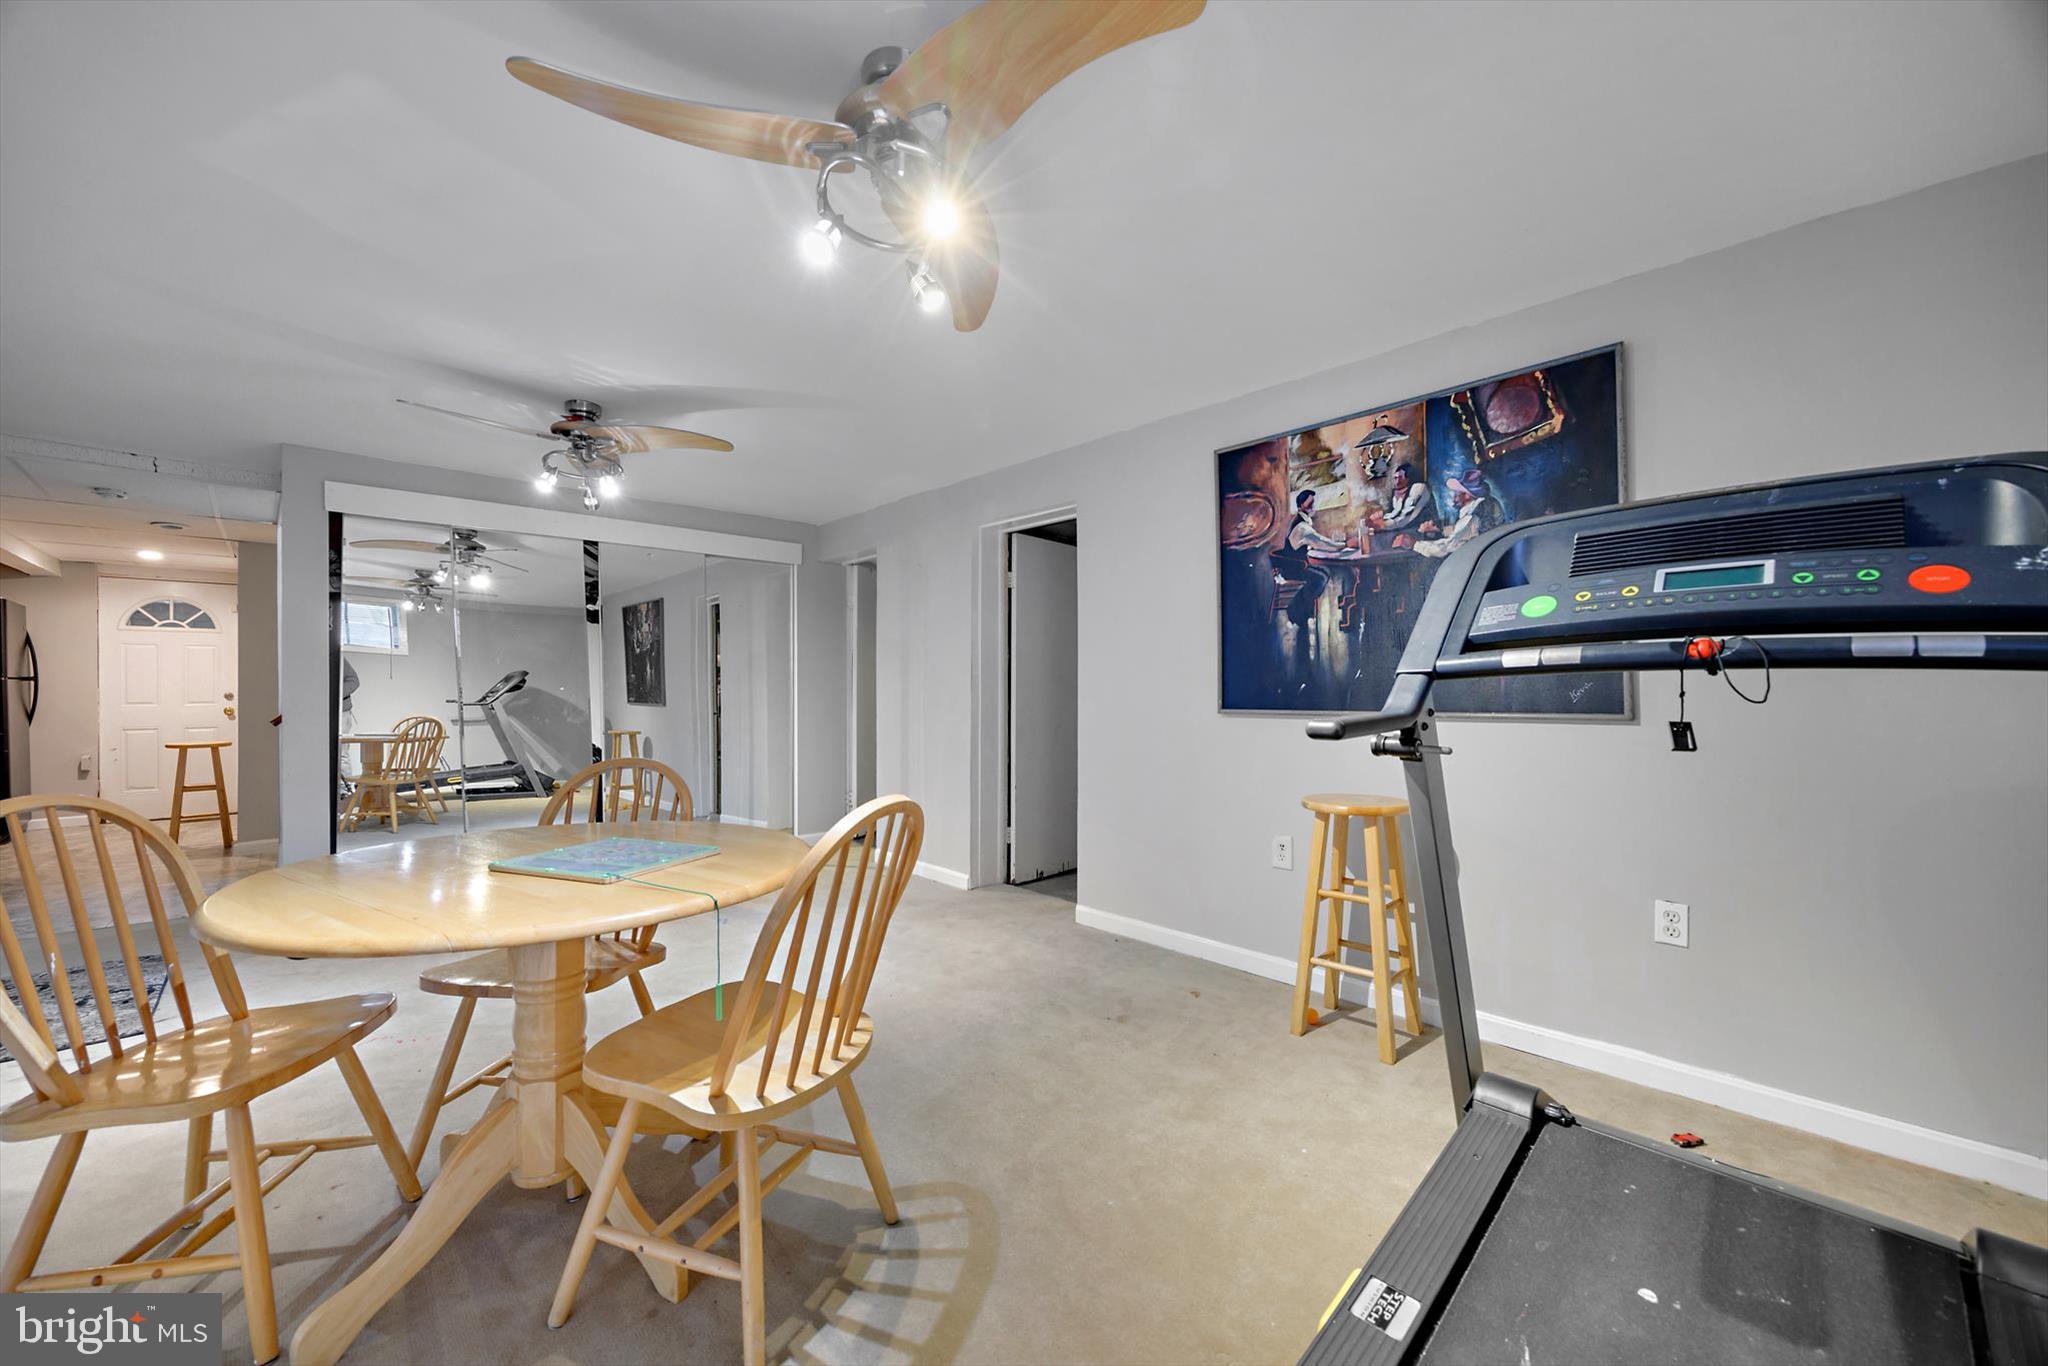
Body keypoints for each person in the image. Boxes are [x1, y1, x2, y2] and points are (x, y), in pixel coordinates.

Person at [1271, 488, 1347, 625]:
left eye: (1313, 503)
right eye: (1310, 504)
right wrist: (1343, 545)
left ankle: (1301, 609)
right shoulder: (1302, 527)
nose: (1313, 507)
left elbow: (1306, 543)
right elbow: (1322, 543)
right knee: (1322, 576)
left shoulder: (1299, 522)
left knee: (1322, 573)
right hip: (1295, 568)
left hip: (1293, 564)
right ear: (1301, 506)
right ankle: (1301, 610)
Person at [1401, 467, 1505, 559]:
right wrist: (1440, 530)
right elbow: (1468, 532)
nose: (1454, 498)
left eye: (1457, 493)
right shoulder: (1487, 503)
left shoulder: (1473, 516)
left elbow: (1447, 547)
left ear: (1467, 495)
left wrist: (1414, 544)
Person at [1364, 463, 1433, 549]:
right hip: (1405, 531)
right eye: (1396, 478)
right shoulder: (1397, 492)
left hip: (1425, 534)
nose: (1397, 482)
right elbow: (1394, 513)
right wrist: (1378, 520)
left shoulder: (1418, 488)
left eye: (1401, 478)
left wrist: (1383, 524)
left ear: (1409, 478)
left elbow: (1405, 517)